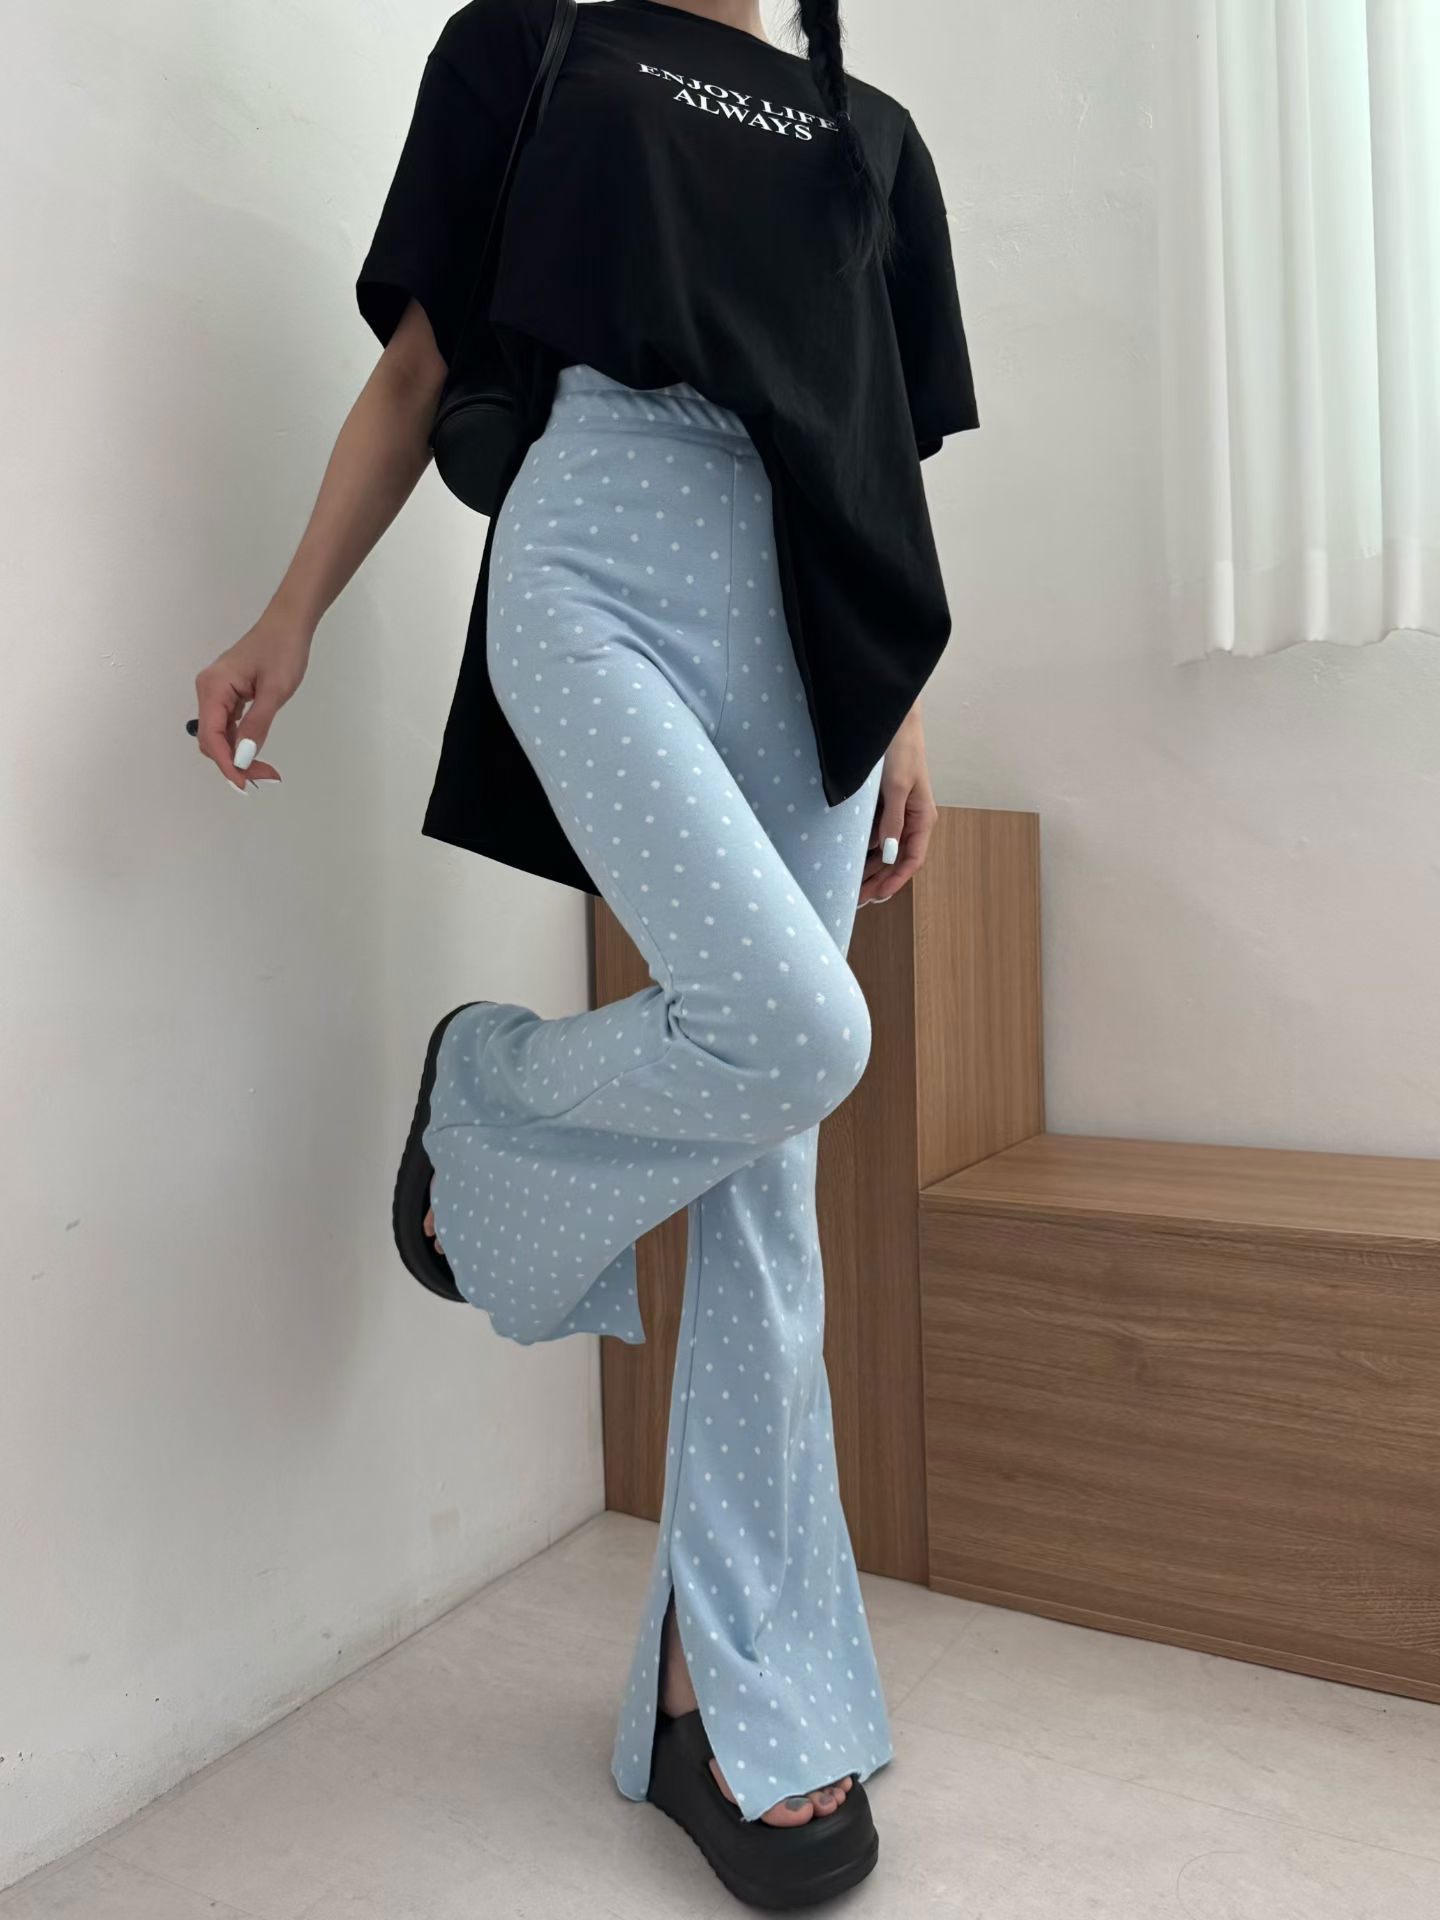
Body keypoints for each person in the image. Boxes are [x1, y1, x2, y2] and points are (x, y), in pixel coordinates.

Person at [193, 0, 977, 1905]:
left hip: (816, 635)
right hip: (598, 562)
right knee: (799, 1034)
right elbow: (417, 372)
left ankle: (724, 1691)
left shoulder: (872, 131)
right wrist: (289, 613)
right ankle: (485, 1089)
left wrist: (903, 708)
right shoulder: (533, 44)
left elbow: (879, 454)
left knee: (769, 1176)